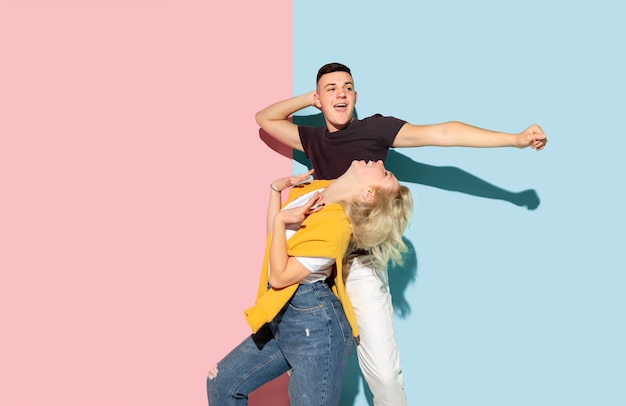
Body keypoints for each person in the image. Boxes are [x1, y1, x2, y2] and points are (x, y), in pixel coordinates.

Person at [255, 62, 548, 405]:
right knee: (304, 365)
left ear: (356, 96)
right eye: (331, 88)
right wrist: (311, 97)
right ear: (319, 98)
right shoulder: (313, 139)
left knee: (385, 374)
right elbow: (265, 118)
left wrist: (514, 140)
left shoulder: (375, 129)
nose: (341, 93)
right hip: (314, 265)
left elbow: (442, 134)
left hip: (358, 263)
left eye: (348, 87)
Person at [206, 160, 413, 406]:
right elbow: (275, 241)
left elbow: (280, 276)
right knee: (221, 383)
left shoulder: (336, 226)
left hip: (314, 326)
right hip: (283, 315)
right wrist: (275, 192)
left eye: (385, 172)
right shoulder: (315, 191)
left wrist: (282, 219)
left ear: (368, 194)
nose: (380, 161)